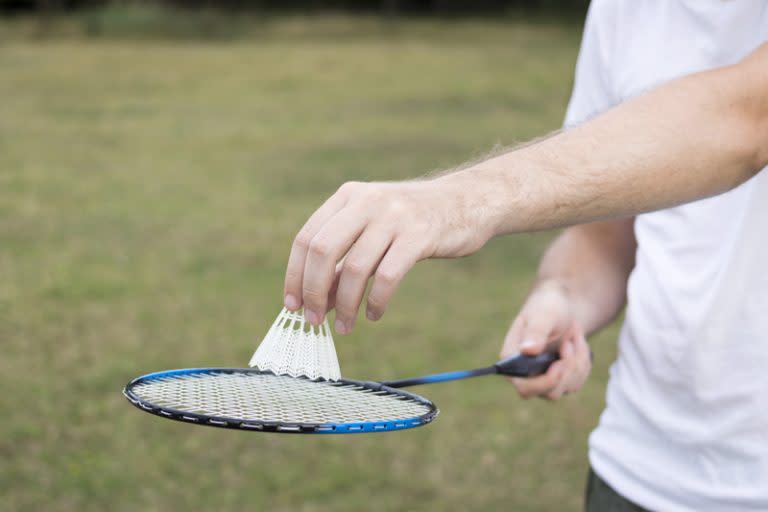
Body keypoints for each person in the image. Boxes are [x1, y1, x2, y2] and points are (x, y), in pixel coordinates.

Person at [282, 1, 768, 510]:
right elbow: (606, 230)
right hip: (637, 469)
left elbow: (748, 121)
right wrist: (564, 295)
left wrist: (462, 199)